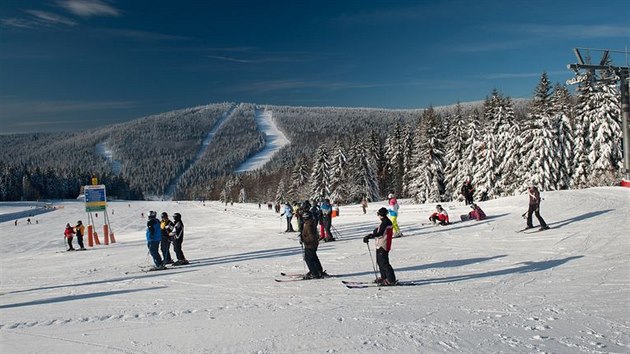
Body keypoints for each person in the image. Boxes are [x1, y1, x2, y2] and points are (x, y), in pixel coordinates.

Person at [363, 207, 396, 286]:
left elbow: (380, 233)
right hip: (380, 244)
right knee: (380, 262)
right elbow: (378, 230)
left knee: (384, 263)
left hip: (384, 244)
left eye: (378, 214)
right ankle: (384, 277)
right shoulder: (384, 221)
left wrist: (370, 236)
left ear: (381, 215)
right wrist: (373, 233)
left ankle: (391, 279)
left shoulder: (386, 222)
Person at [299, 206, 326, 279]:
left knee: (308, 259)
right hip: (312, 244)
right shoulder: (310, 223)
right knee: (313, 257)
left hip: (310, 244)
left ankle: (314, 273)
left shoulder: (308, 225)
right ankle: (318, 270)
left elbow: (311, 237)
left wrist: (304, 240)